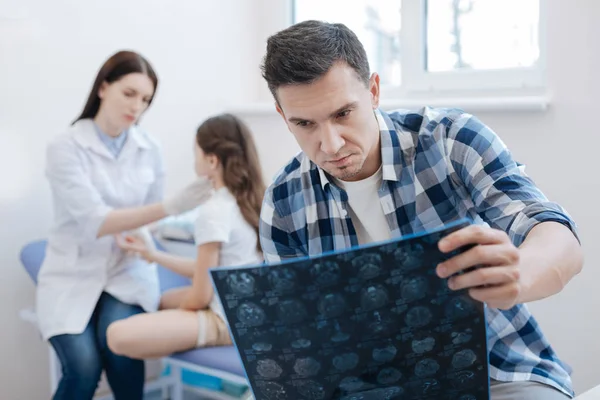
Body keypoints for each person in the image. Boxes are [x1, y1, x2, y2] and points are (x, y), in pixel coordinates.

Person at [258, 20, 583, 400]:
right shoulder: (282, 204)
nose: (330, 145)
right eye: (304, 124)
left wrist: (520, 274)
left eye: (343, 114)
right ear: (283, 117)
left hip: (499, 371)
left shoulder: (450, 139)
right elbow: (297, 336)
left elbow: (556, 236)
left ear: (374, 91)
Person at [37, 50, 212, 400]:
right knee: (83, 370)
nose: (137, 106)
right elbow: (96, 221)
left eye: (145, 99)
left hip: (126, 270)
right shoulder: (65, 147)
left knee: (121, 349)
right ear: (103, 87)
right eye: (129, 93)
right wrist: (171, 206)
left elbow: (145, 217)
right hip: (72, 274)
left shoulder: (149, 148)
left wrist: (150, 240)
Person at [106, 113, 265, 359]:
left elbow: (200, 296)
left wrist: (173, 320)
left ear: (211, 161)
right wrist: (153, 255)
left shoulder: (213, 211)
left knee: (116, 335)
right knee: (163, 299)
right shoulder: (250, 200)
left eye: (195, 152)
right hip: (251, 310)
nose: (194, 160)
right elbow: (209, 269)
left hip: (228, 320)